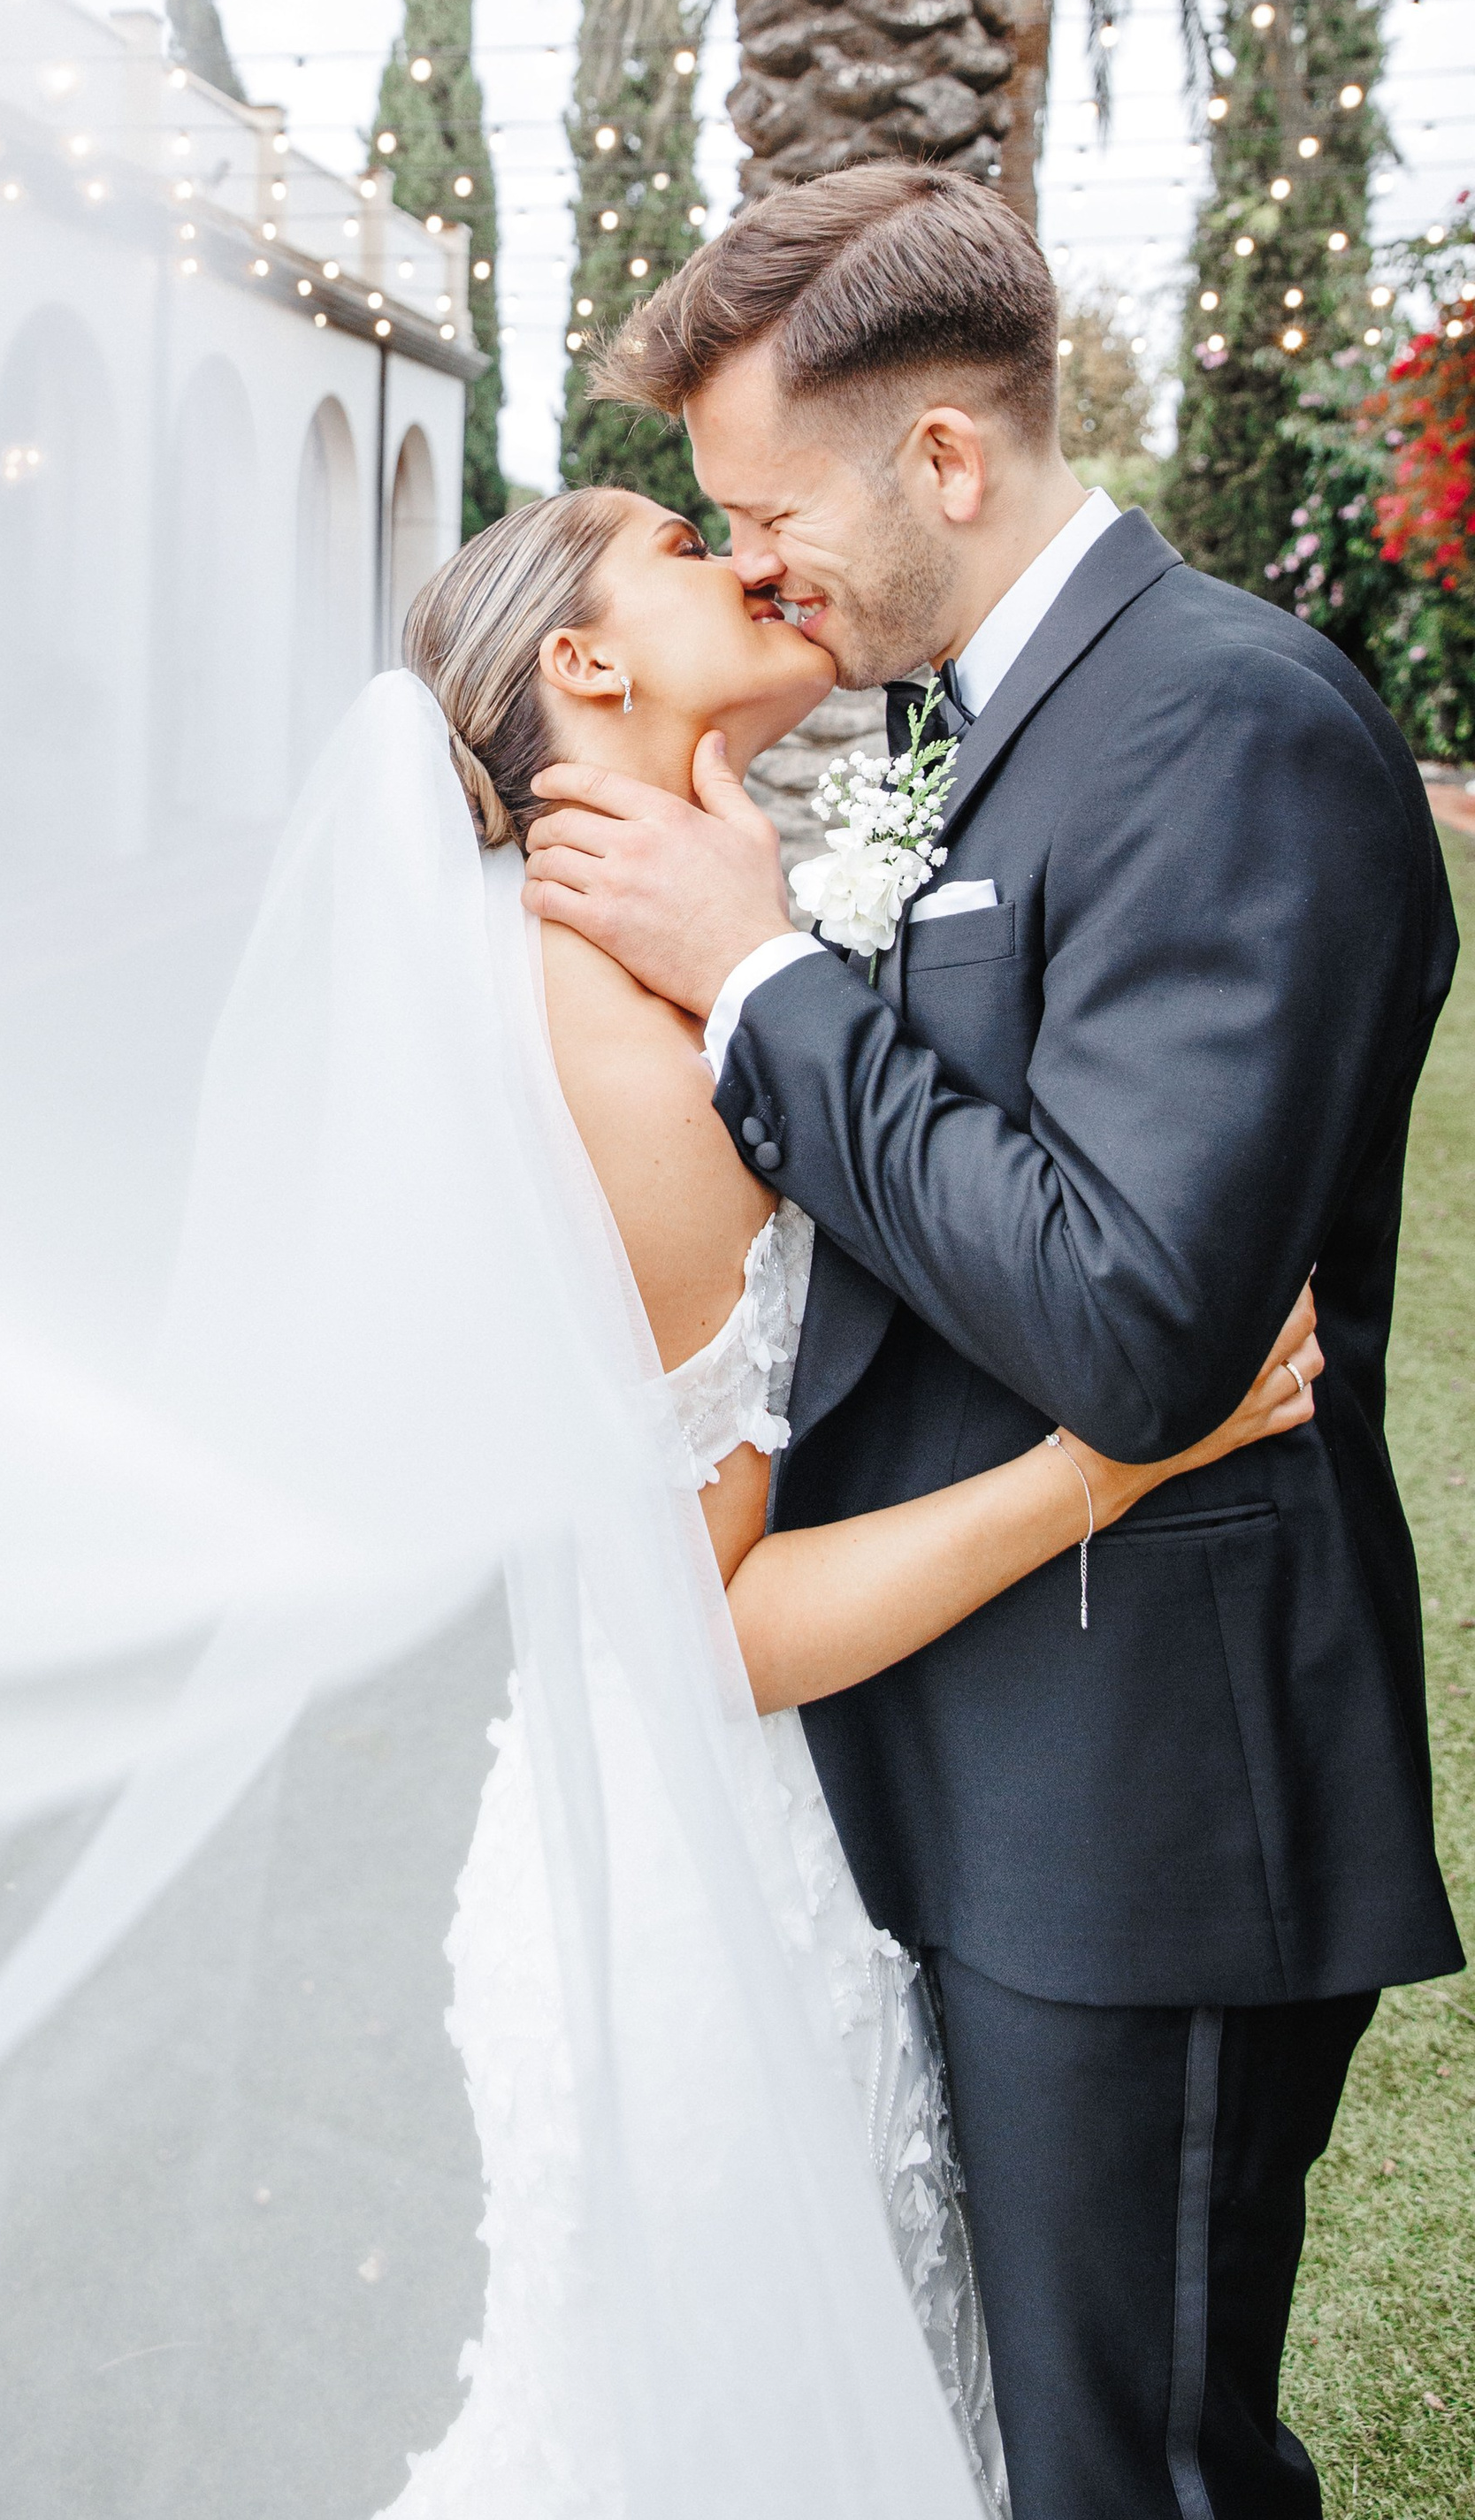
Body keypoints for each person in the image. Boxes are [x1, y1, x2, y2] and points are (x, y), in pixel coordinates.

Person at [519, 163, 1462, 2520]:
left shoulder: (1228, 726)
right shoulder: (963, 728)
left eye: (768, 511)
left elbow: (1139, 1327)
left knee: (1114, 2478)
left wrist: (761, 979)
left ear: (945, 460)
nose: (755, 570)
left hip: (1138, 1793)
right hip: (961, 1756)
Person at [372, 486, 1316, 2520]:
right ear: (586, 666)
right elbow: (696, 1620)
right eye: (681, 545)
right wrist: (1111, 1457)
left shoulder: (660, 954)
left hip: (712, 1840)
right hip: (697, 1895)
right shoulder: (613, 1050)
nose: (748, 558)